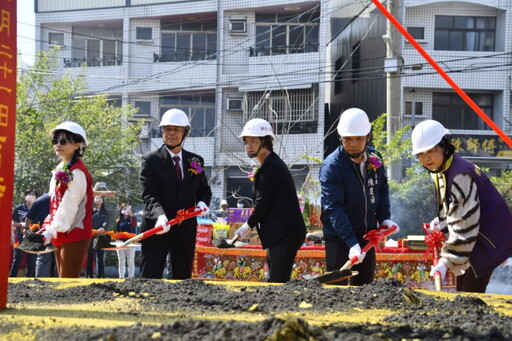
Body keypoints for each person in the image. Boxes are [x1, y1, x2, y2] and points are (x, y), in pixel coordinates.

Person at [411, 119, 512, 293]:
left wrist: (446, 261)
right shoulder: (444, 168)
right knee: (462, 291)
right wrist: (443, 220)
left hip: (485, 239)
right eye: (420, 154)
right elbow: (454, 206)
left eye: (431, 151)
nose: (426, 158)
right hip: (475, 237)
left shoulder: (460, 175)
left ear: (444, 146)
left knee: (470, 294)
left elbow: (465, 224)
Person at [319, 108, 399, 286]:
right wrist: (351, 243)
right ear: (341, 137)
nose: (353, 144)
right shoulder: (332, 166)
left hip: (366, 236)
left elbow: (382, 189)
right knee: (336, 290)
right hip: (340, 238)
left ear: (368, 137)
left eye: (359, 139)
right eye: (348, 139)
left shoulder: (375, 159)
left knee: (364, 286)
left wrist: (384, 217)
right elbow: (334, 208)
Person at [139, 108, 212, 279]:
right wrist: (160, 216)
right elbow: (149, 194)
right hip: (158, 226)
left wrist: (202, 202)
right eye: (167, 129)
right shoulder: (150, 160)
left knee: (182, 275)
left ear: (185, 133)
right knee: (150, 274)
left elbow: (204, 189)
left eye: (176, 130)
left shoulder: (195, 161)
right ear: (162, 131)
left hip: (185, 227)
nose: (171, 134)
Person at [234, 118, 306, 283]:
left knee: (277, 282)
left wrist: (246, 226)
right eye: (246, 142)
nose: (249, 146)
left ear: (265, 142)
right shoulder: (269, 164)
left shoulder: (271, 167)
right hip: (280, 233)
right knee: (274, 278)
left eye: (254, 141)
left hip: (285, 233)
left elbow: (263, 203)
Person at [41, 121, 93, 278]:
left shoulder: (77, 172)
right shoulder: (61, 168)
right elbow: (54, 202)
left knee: (67, 281)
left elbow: (70, 205)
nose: (58, 144)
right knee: (63, 280)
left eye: (63, 141)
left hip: (75, 231)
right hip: (62, 230)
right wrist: (48, 226)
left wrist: (52, 229)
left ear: (77, 145)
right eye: (55, 141)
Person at [25, 193, 57, 277]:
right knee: (60, 259)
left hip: (44, 232)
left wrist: (27, 229)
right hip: (60, 232)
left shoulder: (40, 199)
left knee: (43, 259)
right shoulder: (65, 197)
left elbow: (29, 217)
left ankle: (40, 282)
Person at [10, 189, 38, 277]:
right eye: (29, 194)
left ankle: (29, 279)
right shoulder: (19, 208)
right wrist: (21, 224)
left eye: (33, 194)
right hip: (20, 237)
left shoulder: (37, 208)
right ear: (25, 196)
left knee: (32, 261)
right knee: (17, 259)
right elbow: (12, 222)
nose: (31, 196)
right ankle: (12, 278)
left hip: (33, 237)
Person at [86, 195, 110, 278]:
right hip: (91, 237)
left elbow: (106, 221)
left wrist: (103, 227)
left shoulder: (105, 212)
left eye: (100, 198)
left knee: (100, 258)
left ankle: (100, 276)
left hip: (101, 237)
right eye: (96, 198)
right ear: (94, 200)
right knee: (90, 256)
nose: (99, 199)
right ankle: (89, 275)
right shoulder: (90, 212)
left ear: (102, 201)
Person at [115, 203, 137, 279]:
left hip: (130, 243)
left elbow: (134, 224)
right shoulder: (119, 220)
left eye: (127, 209)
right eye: (124, 209)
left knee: (130, 261)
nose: (125, 210)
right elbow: (117, 231)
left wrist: (131, 215)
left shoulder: (132, 219)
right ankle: (121, 276)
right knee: (121, 261)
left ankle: (131, 277)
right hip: (121, 243)